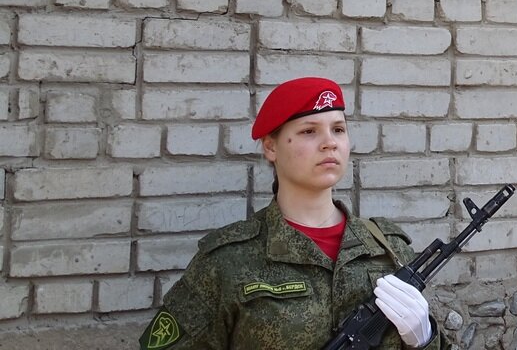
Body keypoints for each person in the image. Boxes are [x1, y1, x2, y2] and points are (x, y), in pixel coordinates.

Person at [138, 76, 444, 349]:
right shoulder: (227, 261)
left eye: (338, 129)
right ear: (270, 147)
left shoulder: (388, 248)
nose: (329, 143)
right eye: (309, 131)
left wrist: (425, 339)